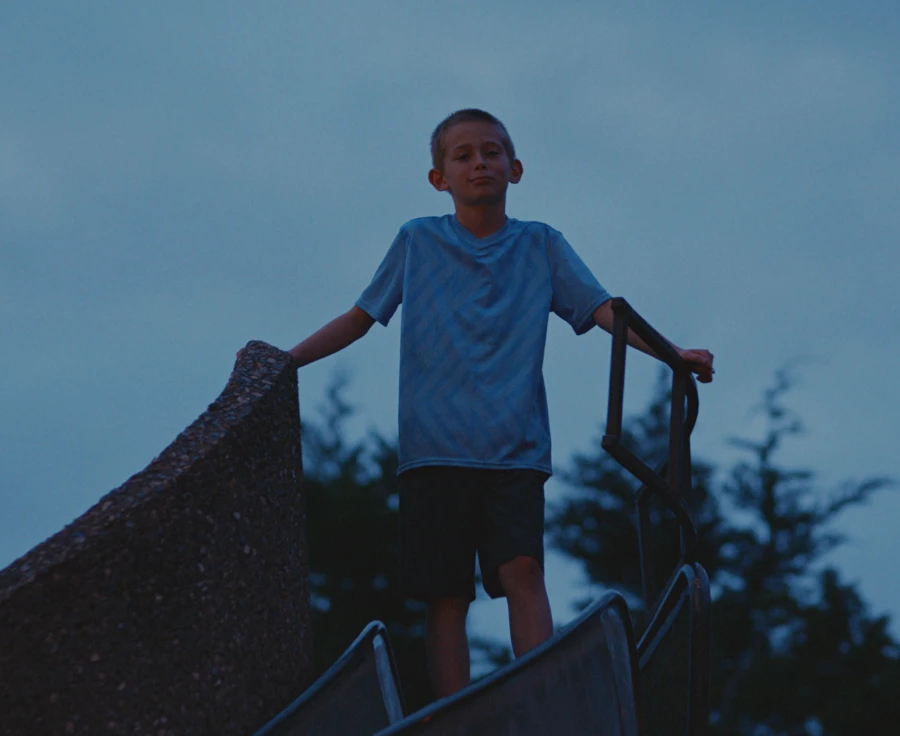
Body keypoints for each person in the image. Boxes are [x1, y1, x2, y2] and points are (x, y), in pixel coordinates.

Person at [283, 108, 713, 698]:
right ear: (440, 178)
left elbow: (602, 310)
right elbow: (361, 319)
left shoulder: (540, 244)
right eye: (462, 156)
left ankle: (539, 698)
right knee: (446, 595)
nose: (478, 163)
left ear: (514, 168)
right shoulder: (418, 241)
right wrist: (286, 362)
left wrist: (672, 354)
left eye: (489, 152)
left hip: (513, 447)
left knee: (523, 571)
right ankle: (456, 713)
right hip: (434, 448)